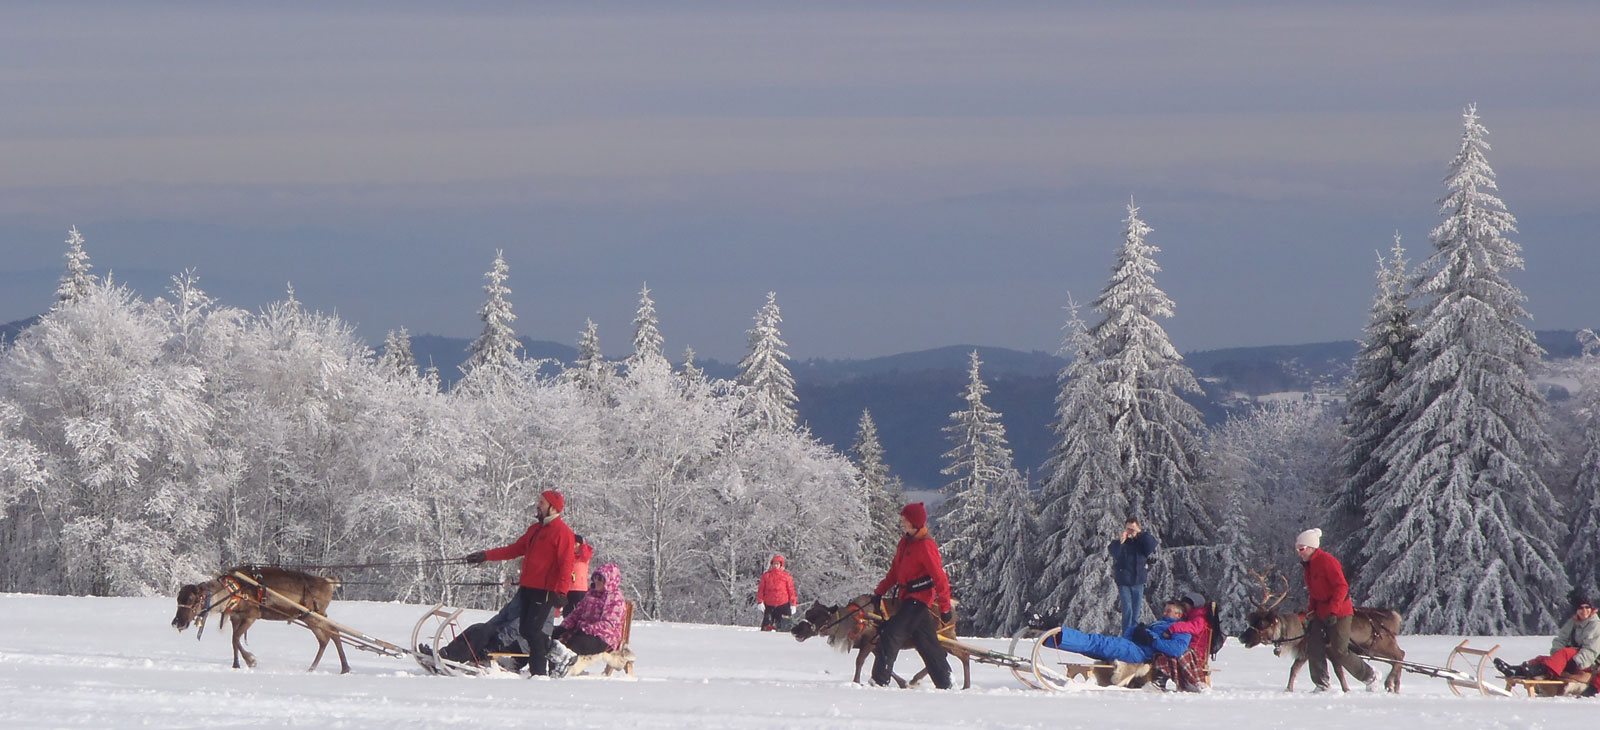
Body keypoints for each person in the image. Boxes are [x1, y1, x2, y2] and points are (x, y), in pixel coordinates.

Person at [466, 489, 576, 677]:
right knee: (526, 630)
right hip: (528, 587)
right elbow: (514, 549)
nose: (537, 505)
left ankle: (539, 672)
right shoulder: (535, 529)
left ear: (553, 508)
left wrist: (562, 592)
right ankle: (554, 654)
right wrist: (486, 555)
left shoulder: (562, 532)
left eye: (541, 503)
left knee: (532, 630)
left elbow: (566, 565)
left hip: (546, 591)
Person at [869, 502, 954, 690]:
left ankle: (879, 680)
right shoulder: (905, 542)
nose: (902, 523)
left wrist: (945, 607)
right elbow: (895, 572)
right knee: (926, 643)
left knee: (890, 633)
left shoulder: (926, 546)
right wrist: (879, 592)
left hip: (919, 600)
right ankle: (946, 681)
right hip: (906, 598)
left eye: (905, 520)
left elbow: (940, 578)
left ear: (915, 523)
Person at [1296, 528, 1377, 692]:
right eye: (1297, 549)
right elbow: (1314, 593)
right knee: (1314, 646)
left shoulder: (1327, 561)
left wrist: (1333, 611)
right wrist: (1310, 611)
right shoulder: (1308, 566)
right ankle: (1321, 683)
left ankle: (1369, 676)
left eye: (1301, 549)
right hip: (1320, 612)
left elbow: (1341, 587)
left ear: (1312, 547)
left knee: (1339, 650)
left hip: (1340, 612)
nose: (1299, 552)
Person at [1495, 595, 1600, 689]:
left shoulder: (1595, 625)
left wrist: (1576, 662)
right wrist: (1556, 655)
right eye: (1581, 608)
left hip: (1587, 661)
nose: (1584, 610)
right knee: (1541, 659)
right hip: (1573, 657)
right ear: (1576, 610)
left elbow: (1592, 649)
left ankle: (1534, 671)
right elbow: (1561, 639)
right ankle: (1516, 670)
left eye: (1587, 607)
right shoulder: (1573, 622)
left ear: (1592, 609)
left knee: (1565, 652)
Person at [1045, 600, 1192, 665]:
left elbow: (1177, 649)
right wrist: (1135, 631)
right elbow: (1128, 636)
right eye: (1165, 609)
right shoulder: (1158, 624)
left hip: (1141, 655)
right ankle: (1050, 638)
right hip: (1132, 647)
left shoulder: (1182, 628)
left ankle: (1058, 633)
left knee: (1097, 642)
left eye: (1169, 611)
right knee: (1092, 647)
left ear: (1178, 615)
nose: (1164, 612)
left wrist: (1152, 639)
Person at [547, 563, 628, 678]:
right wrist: (564, 627)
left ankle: (564, 670)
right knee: (555, 637)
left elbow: (608, 624)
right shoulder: (590, 594)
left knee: (575, 643)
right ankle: (553, 669)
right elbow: (577, 613)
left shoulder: (615, 598)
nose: (597, 581)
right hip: (584, 631)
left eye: (601, 579)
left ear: (609, 580)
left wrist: (586, 629)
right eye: (596, 577)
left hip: (604, 637)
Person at [1153, 592, 1214, 691]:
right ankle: (1162, 678)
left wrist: (1173, 628)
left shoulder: (1200, 617)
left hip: (1197, 651)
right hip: (1190, 647)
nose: (1184, 608)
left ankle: (1193, 682)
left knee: (1177, 653)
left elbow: (1193, 627)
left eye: (1185, 605)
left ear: (1193, 604)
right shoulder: (1191, 616)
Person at [1109, 518, 1157, 636]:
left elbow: (1151, 545)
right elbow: (1113, 552)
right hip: (1124, 580)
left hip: (1138, 580)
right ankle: (1126, 634)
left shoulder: (1142, 542)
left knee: (1136, 611)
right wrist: (1121, 541)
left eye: (1132, 528)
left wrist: (1139, 533)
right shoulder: (1121, 543)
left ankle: (1133, 634)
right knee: (1128, 610)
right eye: (1128, 528)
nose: (1130, 531)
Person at [758, 554, 798, 632]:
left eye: (777, 564)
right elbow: (761, 590)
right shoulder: (766, 576)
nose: (775, 565)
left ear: (781, 565)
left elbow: (791, 591)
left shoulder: (786, 577)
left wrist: (793, 604)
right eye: (774, 564)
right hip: (769, 605)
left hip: (783, 605)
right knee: (766, 628)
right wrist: (760, 601)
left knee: (785, 629)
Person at [565, 535, 594, 616]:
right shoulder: (569, 555)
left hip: (580, 588)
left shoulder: (584, 556)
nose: (574, 546)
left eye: (576, 544)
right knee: (567, 611)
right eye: (572, 544)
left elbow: (585, 555)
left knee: (580, 611)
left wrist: (583, 546)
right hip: (568, 587)